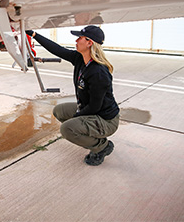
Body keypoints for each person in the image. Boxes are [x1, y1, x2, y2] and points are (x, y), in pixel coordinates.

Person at [25, 25, 120, 166]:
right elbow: (57, 49)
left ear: (89, 43)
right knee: (59, 111)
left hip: (105, 119)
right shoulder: (80, 59)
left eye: (79, 38)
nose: (76, 41)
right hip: (91, 111)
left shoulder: (98, 72)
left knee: (67, 129)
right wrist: (34, 34)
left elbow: (95, 106)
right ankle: (91, 134)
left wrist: (76, 117)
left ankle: (102, 146)